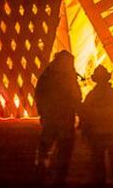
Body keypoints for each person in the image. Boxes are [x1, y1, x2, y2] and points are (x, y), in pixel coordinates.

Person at [34, 50, 82, 186]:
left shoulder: (47, 75)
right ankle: (59, 179)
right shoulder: (68, 78)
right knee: (64, 150)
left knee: (44, 148)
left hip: (49, 118)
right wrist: (82, 116)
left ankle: (40, 174)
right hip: (65, 120)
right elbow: (76, 97)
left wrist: (42, 113)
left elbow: (39, 95)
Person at [79, 65, 113, 187]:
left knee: (98, 161)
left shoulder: (91, 96)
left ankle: (99, 182)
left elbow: (85, 114)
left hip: (96, 134)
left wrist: (85, 130)